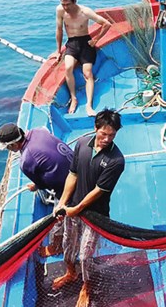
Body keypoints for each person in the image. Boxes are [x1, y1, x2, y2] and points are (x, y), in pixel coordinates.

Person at [52, 109, 125, 307]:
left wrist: (77, 209)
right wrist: (63, 203)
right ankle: (70, 273)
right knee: (68, 247)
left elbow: (98, 191)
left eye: (112, 135)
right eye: (103, 134)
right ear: (95, 129)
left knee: (85, 255)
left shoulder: (116, 161)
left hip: (95, 214)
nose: (107, 139)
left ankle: (86, 286)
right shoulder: (82, 144)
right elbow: (73, 175)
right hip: (72, 209)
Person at [0, 123, 74, 256]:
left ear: (13, 145)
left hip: (69, 186)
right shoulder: (38, 131)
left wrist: (36, 186)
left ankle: (57, 246)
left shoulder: (26, 161)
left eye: (8, 147)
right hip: (77, 168)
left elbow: (42, 184)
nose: (8, 150)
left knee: (58, 217)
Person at [55, 0, 112, 116]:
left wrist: (96, 40)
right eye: (63, 4)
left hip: (86, 43)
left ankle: (89, 105)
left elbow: (106, 24)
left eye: (68, 4)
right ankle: (73, 98)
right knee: (68, 68)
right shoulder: (60, 11)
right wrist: (58, 51)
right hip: (71, 44)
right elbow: (59, 30)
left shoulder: (85, 12)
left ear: (75, 1)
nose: (65, 7)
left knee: (88, 73)